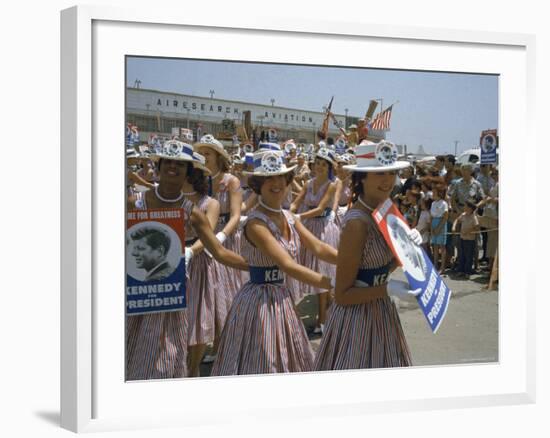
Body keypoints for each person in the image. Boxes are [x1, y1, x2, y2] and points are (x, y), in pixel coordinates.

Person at [126, 140, 248, 381]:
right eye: (168, 162)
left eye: (180, 165)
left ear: (188, 172)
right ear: (158, 167)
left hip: (174, 291)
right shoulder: (134, 204)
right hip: (138, 292)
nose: (173, 168)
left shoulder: (193, 212)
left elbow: (219, 252)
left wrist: (256, 266)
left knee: (169, 354)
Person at [210, 149, 337, 376]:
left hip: (282, 296)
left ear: (288, 180)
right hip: (259, 301)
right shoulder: (256, 224)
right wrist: (335, 283)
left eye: (281, 177)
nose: (276, 183)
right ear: (258, 184)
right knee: (264, 361)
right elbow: (288, 265)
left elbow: (318, 247)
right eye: (269, 178)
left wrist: (351, 260)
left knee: (287, 358)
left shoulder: (289, 216)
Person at [314, 140, 422, 371]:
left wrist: (411, 248)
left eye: (392, 172)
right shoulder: (357, 223)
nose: (388, 180)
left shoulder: (386, 209)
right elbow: (342, 295)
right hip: (357, 319)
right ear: (361, 178)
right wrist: (387, 289)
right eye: (379, 173)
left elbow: (381, 265)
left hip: (381, 311)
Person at [194, 134, 246, 362]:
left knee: (226, 292)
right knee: (210, 293)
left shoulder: (231, 181)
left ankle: (224, 346)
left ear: (218, 156)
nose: (204, 157)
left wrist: (222, 236)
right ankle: (215, 344)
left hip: (227, 238)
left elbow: (236, 214)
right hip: (204, 239)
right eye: (202, 153)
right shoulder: (197, 179)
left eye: (208, 153)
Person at [290, 147, 340, 333]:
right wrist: (289, 211)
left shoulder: (332, 184)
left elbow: (320, 209)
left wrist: (299, 217)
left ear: (329, 167)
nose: (319, 167)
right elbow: (296, 202)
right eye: (317, 163)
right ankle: (328, 311)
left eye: (323, 164)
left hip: (322, 228)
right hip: (307, 227)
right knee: (306, 268)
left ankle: (322, 320)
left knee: (322, 270)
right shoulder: (308, 183)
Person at [452, 200, 480, 278]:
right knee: (461, 255)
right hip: (462, 238)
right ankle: (461, 270)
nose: (464, 207)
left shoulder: (474, 217)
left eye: (466, 206)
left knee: (469, 256)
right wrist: (454, 227)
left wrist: (468, 231)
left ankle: (468, 271)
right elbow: (457, 220)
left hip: (470, 240)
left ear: (470, 208)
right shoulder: (463, 215)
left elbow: (477, 228)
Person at [430, 186, 449, 274]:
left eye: (434, 192)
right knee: (435, 246)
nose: (432, 194)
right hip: (434, 223)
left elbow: (445, 217)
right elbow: (431, 216)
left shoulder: (444, 203)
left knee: (442, 246)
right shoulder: (433, 203)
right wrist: (431, 228)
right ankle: (435, 265)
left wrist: (438, 228)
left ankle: (442, 267)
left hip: (441, 223)